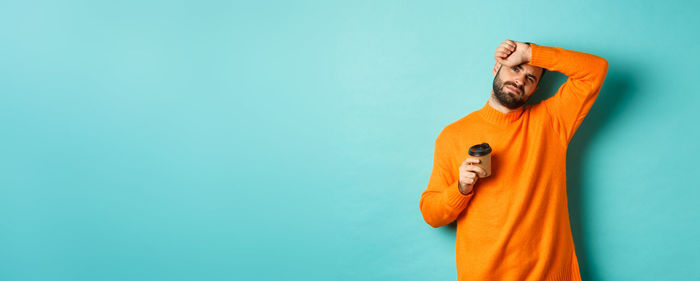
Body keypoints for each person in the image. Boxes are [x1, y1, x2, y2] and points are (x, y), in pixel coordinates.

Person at [419, 39, 608, 281]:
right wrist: (460, 188)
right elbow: (431, 214)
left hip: (549, 274)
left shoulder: (551, 121)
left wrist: (529, 53)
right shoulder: (453, 135)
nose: (520, 80)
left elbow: (595, 69)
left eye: (530, 78)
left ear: (536, 89)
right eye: (515, 68)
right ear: (496, 67)